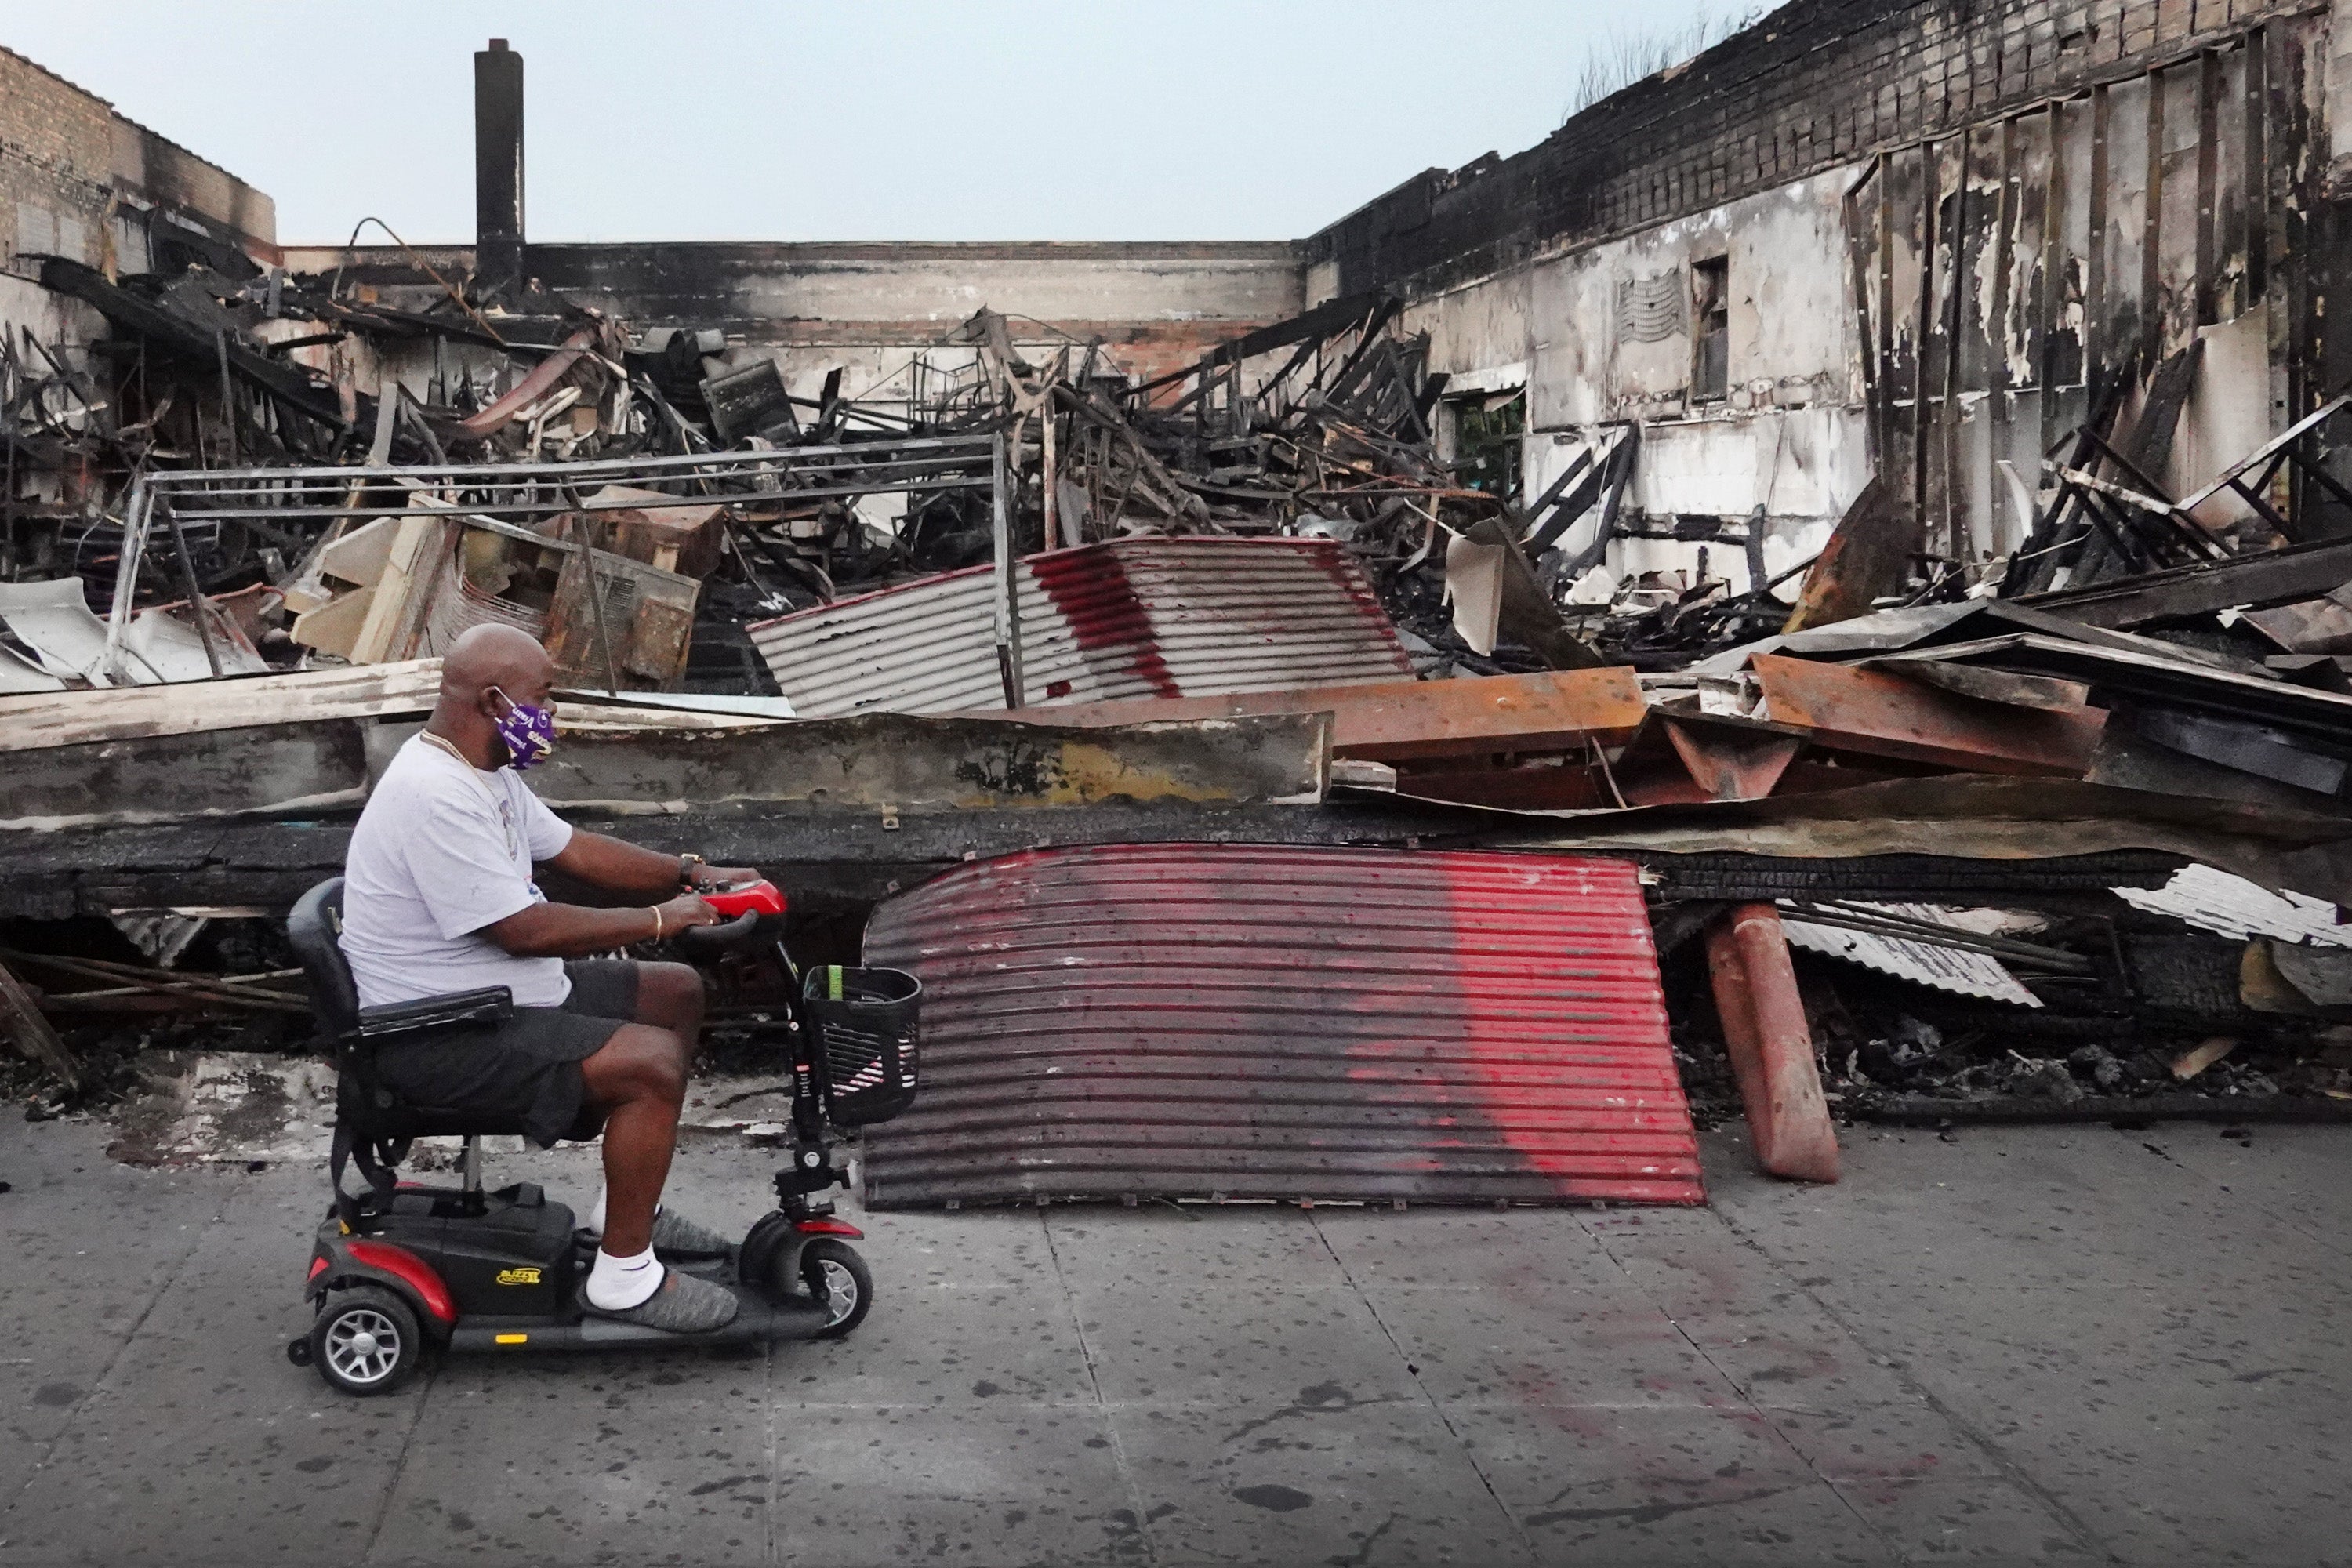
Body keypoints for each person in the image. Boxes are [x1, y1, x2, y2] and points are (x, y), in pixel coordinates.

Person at [339, 623, 753, 1333]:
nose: (553, 716)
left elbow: (575, 851)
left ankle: (624, 1214)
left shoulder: (483, 770)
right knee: (650, 1065)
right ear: (498, 702)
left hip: (494, 995)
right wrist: (662, 918)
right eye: (546, 698)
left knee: (675, 992)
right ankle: (623, 1281)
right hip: (438, 1031)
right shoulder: (433, 794)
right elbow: (521, 930)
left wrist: (693, 873)